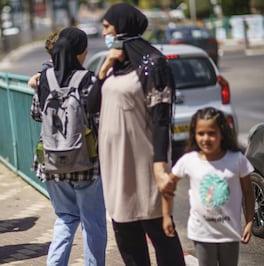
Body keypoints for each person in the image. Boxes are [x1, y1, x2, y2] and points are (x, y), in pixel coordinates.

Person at [87, 3, 185, 265]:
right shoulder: (113, 68)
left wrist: (159, 166)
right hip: (116, 166)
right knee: (126, 234)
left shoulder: (153, 64)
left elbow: (161, 120)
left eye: (107, 27)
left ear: (121, 26)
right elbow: (91, 105)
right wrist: (104, 68)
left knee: (161, 232)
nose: (104, 32)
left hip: (145, 164)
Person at [30, 27, 107, 265]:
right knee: (92, 223)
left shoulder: (44, 80)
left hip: (52, 161)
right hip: (85, 161)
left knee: (65, 217)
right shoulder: (88, 80)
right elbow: (98, 119)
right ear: (80, 52)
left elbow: (35, 114)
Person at [162, 107, 255, 266]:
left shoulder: (237, 160)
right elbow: (168, 187)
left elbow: (248, 191)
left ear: (222, 134)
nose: (206, 138)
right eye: (201, 133)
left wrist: (249, 221)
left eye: (212, 133)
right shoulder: (189, 160)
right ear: (194, 134)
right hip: (201, 234)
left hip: (229, 233)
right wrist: (166, 216)